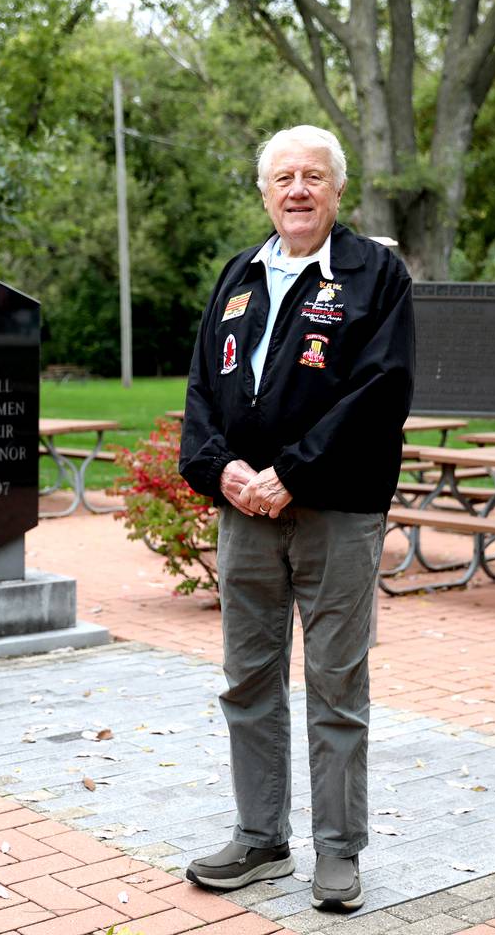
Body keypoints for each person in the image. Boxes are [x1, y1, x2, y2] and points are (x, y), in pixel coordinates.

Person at [178, 125, 414, 912]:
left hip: (335, 513)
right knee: (248, 679)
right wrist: (224, 472)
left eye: (313, 176)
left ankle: (339, 853)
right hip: (245, 513)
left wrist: (293, 472)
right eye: (283, 177)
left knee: (336, 684)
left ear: (337, 189)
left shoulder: (372, 273)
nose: (298, 190)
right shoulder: (238, 276)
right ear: (265, 191)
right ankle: (260, 838)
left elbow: (379, 392)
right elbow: (203, 396)